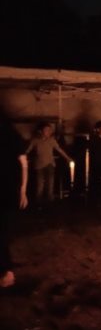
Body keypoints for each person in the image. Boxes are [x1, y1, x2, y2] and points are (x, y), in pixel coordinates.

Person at [1, 115, 29, 288]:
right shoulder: (12, 134)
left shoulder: (9, 135)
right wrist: (23, 190)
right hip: (8, 190)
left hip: (6, 190)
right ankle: (6, 271)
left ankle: (6, 272)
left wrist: (23, 190)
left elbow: (24, 163)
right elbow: (24, 163)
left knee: (2, 230)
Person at [25, 123, 72, 204]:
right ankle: (38, 204)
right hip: (39, 166)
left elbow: (59, 150)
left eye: (50, 130)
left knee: (50, 185)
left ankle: (50, 205)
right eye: (46, 130)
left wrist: (68, 158)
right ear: (40, 131)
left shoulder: (52, 140)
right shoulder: (35, 140)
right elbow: (27, 150)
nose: (49, 132)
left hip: (50, 165)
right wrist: (23, 158)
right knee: (39, 186)